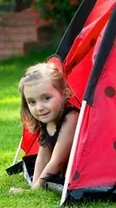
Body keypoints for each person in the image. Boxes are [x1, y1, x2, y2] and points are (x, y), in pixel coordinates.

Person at [9, 62, 79, 193]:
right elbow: (43, 157)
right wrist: (34, 186)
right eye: (32, 102)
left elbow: (57, 161)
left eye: (46, 98)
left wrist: (33, 191)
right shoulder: (47, 120)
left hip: (82, 172)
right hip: (61, 170)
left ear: (65, 94)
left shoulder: (71, 118)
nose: (39, 108)